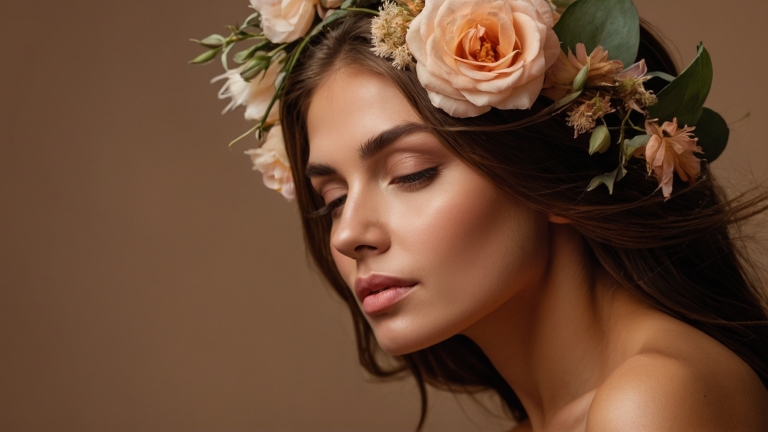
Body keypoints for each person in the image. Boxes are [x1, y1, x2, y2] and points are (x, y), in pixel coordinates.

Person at [194, 0, 768, 429]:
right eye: (332, 199)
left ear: (553, 170)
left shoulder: (652, 401)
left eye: (412, 172)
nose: (348, 234)